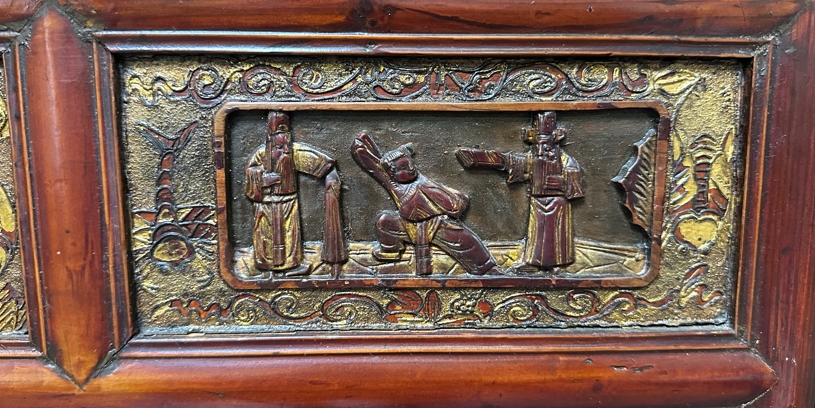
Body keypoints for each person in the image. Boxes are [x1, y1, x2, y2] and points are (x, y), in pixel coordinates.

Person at [351, 131, 498, 276]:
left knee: (467, 241)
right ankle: (391, 251)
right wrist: (360, 144)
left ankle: (486, 268)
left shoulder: (423, 183)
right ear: (392, 174)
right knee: (384, 221)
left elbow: (456, 205)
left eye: (409, 164)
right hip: (408, 225)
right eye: (403, 168)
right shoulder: (394, 185)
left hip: (437, 225)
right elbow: (373, 165)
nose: (410, 168)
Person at [456, 111, 584, 270]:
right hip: (538, 202)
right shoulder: (534, 159)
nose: (540, 151)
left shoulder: (567, 161)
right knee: (537, 234)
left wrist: (563, 183)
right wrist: (481, 158)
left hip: (558, 203)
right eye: (537, 146)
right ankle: (534, 263)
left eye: (545, 146)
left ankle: (556, 266)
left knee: (555, 235)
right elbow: (511, 161)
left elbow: (575, 188)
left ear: (554, 143)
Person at [245, 111, 346, 275]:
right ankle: (266, 268)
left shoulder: (294, 152)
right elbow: (249, 176)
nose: (284, 148)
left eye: (285, 133)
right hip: (265, 203)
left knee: (290, 234)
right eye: (279, 144)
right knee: (265, 235)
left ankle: (292, 266)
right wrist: (263, 179)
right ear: (269, 135)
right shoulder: (261, 154)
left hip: (288, 201)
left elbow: (322, 163)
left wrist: (331, 176)